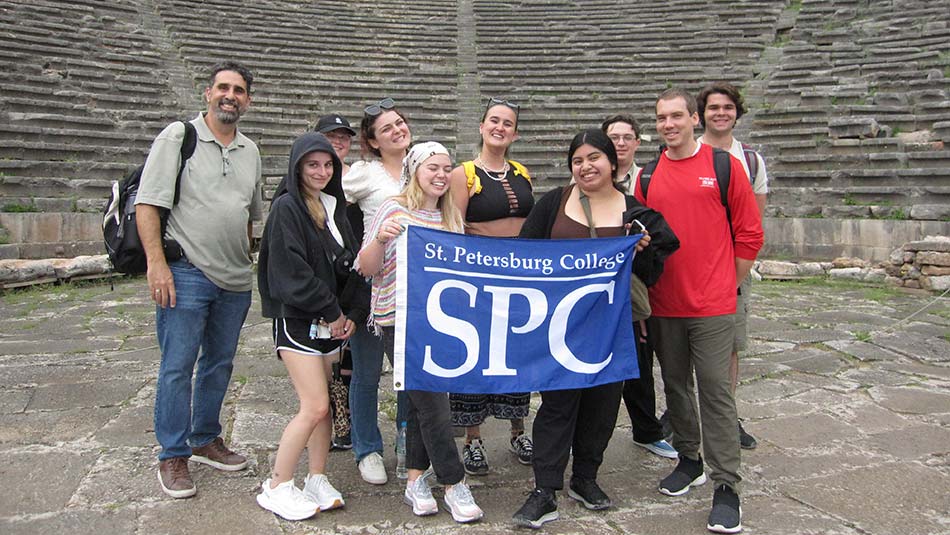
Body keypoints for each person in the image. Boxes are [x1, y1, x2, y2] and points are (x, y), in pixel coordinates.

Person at [635, 88, 763, 534]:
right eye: (660, 118)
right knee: (675, 386)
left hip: (713, 305)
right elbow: (641, 240)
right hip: (665, 304)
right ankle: (690, 459)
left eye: (676, 116)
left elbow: (749, 234)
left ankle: (727, 484)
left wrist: (727, 285)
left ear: (694, 118)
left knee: (714, 390)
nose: (668, 124)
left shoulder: (724, 167)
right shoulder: (646, 178)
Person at [512, 129, 652, 529]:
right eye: (578, 160)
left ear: (612, 162)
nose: (586, 166)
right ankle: (545, 489)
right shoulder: (555, 202)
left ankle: (586, 478)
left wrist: (642, 251)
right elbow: (523, 253)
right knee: (557, 403)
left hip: (612, 328)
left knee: (603, 404)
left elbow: (652, 271)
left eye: (594, 158)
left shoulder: (634, 211)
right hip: (560, 326)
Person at [136, 61, 261, 498]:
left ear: (248, 100)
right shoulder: (178, 136)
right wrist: (157, 264)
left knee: (219, 363)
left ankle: (205, 437)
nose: (231, 95)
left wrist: (246, 264)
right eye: (223, 88)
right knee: (177, 366)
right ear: (208, 93)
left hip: (235, 280)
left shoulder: (251, 151)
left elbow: (250, 217)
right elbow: (148, 205)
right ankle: (172, 454)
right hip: (186, 272)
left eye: (239, 90)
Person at [358, 142, 484, 523]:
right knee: (433, 403)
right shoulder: (394, 208)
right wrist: (381, 238)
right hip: (398, 320)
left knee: (419, 403)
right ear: (415, 170)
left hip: (440, 323)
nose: (442, 175)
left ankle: (415, 480)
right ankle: (452, 481)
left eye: (447, 168)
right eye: (433, 167)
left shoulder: (452, 219)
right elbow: (366, 268)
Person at [255, 132, 368, 520]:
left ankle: (316, 477)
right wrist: (332, 311)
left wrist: (351, 313)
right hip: (300, 321)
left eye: (327, 165)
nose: (321, 171)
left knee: (325, 408)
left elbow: (351, 264)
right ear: (298, 167)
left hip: (333, 323)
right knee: (314, 405)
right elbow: (292, 271)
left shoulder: (334, 205)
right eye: (312, 164)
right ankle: (277, 484)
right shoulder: (288, 207)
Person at [447, 97, 534, 475]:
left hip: (519, 278)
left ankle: (518, 430)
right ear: (481, 127)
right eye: (494, 121)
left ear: (515, 132)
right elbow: (455, 227)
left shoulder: (522, 172)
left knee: (517, 354)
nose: (500, 127)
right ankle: (473, 439)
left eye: (508, 123)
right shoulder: (463, 173)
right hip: (479, 277)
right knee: (475, 355)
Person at [342, 98, 411, 484]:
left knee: (407, 371)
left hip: (415, 282)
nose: (397, 130)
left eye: (399, 123)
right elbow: (333, 204)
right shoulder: (363, 174)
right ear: (371, 140)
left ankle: (407, 439)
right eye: (387, 128)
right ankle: (366, 448)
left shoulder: (419, 164)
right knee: (367, 372)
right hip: (375, 281)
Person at [696, 82, 769, 450]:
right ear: (701, 114)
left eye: (727, 107)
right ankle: (681, 415)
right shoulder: (681, 153)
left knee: (730, 346)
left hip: (731, 269)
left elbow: (754, 221)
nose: (720, 113)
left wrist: (735, 275)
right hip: (689, 267)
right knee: (678, 347)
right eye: (713, 107)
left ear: (737, 112)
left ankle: (727, 415)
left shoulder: (751, 160)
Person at [602, 114, 677, 460]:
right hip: (600, 289)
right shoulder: (588, 177)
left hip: (639, 282)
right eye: (612, 137)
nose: (619, 143)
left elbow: (659, 237)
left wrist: (644, 283)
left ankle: (646, 429)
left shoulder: (649, 180)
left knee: (639, 362)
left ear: (637, 142)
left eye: (626, 137)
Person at [316, 113, 359, 451]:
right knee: (324, 360)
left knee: (348, 360)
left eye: (344, 136)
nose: (339, 141)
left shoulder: (357, 177)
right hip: (322, 283)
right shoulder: (310, 177)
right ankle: (331, 423)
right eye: (331, 135)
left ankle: (347, 424)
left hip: (353, 278)